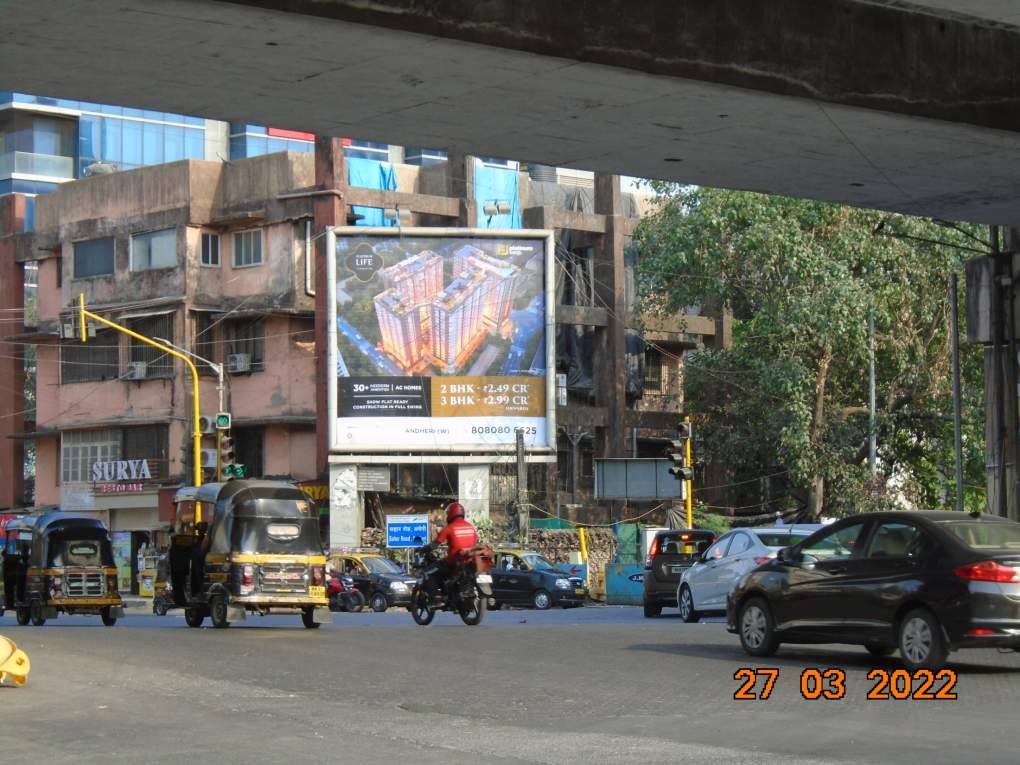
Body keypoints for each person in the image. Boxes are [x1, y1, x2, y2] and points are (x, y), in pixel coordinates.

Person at [424, 501, 477, 598]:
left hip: (453, 563)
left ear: (451, 514)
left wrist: (423, 549)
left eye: (448, 513)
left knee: (429, 572)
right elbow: (475, 541)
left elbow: (434, 545)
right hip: (469, 562)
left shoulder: (449, 528)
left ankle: (436, 599)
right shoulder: (471, 527)